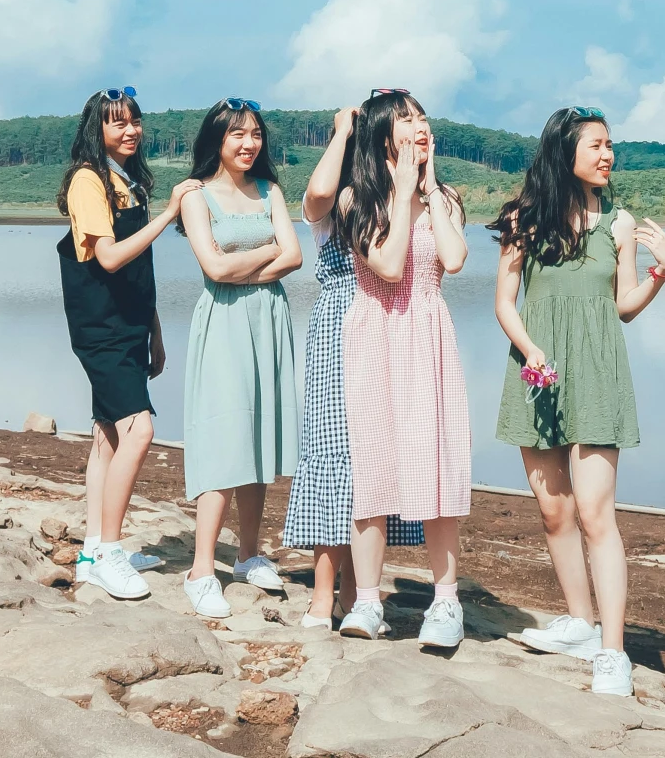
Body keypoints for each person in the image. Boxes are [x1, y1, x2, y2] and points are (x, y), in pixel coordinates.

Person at [490, 105, 665, 697]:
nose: (607, 155)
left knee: (597, 513)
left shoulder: (618, 224)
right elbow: (504, 302)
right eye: (596, 145)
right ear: (564, 151)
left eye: (610, 145)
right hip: (537, 370)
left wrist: (661, 274)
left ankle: (612, 652)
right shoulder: (526, 218)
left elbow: (622, 305)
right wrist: (532, 349)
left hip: (597, 371)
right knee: (554, 512)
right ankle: (578, 620)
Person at [335, 88, 472, 647]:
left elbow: (456, 259)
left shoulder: (446, 197)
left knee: (436, 467)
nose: (418, 127)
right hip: (374, 339)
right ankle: (368, 600)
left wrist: (430, 186)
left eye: (421, 117)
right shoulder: (354, 201)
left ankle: (446, 603)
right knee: (373, 468)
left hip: (428, 335)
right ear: (381, 135)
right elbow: (389, 266)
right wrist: (398, 188)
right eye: (404, 120)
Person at [285, 105, 425, 628]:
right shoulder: (343, 197)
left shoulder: (403, 191)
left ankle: (357, 593)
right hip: (340, 327)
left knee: (374, 457)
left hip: (392, 322)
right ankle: (324, 595)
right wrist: (343, 131)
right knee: (333, 452)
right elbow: (317, 194)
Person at [57, 86, 196, 602]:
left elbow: (140, 269)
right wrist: (170, 213)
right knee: (139, 431)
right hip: (101, 327)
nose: (130, 130)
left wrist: (155, 330)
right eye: (117, 123)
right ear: (97, 129)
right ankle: (113, 552)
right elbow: (111, 259)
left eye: (135, 120)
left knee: (108, 436)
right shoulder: (88, 182)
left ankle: (94, 551)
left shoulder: (128, 180)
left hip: (131, 324)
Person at [176, 98, 303, 619]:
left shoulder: (271, 190)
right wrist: (257, 261)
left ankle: (248, 554)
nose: (248, 144)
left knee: (260, 438)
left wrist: (239, 266)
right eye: (237, 136)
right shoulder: (196, 196)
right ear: (217, 140)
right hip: (225, 323)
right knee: (225, 438)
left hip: (269, 320)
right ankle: (202, 569)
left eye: (255, 135)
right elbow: (213, 268)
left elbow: (295, 256)